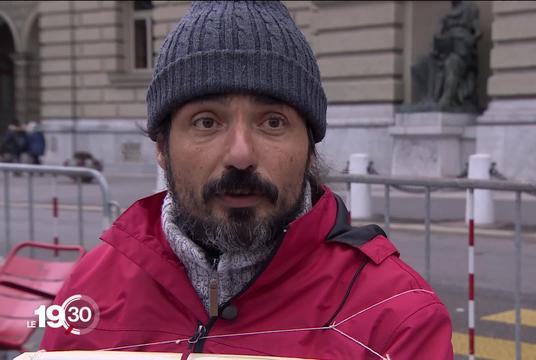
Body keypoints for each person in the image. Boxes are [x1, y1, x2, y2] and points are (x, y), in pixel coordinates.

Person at [40, 2, 453, 359]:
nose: (241, 155)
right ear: (161, 147)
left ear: (310, 147)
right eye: (206, 121)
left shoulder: (395, 318)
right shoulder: (89, 289)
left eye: (272, 122)